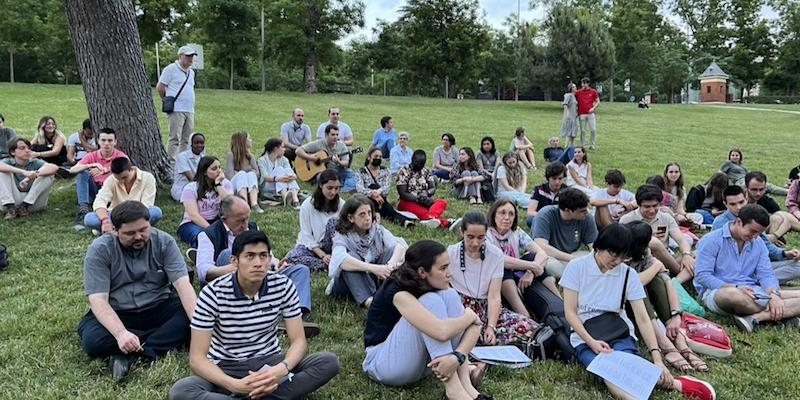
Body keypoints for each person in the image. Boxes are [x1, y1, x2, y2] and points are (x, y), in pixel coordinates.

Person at [169, 230, 339, 400]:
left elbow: (299, 341)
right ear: (234, 261)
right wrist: (234, 385)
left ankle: (255, 393)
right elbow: (197, 359)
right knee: (182, 390)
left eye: (263, 256)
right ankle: (262, 394)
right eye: (250, 256)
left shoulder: (283, 286)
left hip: (270, 363)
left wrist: (280, 369)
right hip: (226, 367)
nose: (258, 263)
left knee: (328, 362)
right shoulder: (213, 293)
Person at [560, 223, 715, 400]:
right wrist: (592, 342)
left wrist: (657, 358)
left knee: (626, 366)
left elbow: (643, 318)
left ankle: (668, 380)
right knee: (608, 372)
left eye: (622, 257)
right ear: (598, 247)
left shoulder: (627, 274)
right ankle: (676, 384)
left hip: (617, 331)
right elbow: (570, 313)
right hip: (585, 335)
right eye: (613, 254)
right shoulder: (577, 267)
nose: (616, 261)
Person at [77, 200, 197, 381]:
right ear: (115, 230)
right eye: (130, 233)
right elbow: (98, 300)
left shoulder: (164, 242)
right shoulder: (100, 249)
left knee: (193, 318)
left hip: (159, 306)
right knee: (93, 341)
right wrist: (120, 333)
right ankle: (158, 341)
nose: (139, 236)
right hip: (119, 312)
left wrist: (199, 324)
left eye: (143, 230)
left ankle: (134, 354)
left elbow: (183, 286)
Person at [362, 240, 490, 400]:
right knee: (431, 300)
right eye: (443, 268)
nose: (449, 273)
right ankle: (453, 391)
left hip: (422, 364)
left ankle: (467, 387)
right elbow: (442, 332)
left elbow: (476, 327)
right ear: (422, 272)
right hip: (382, 363)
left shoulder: (434, 283)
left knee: (450, 295)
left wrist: (457, 357)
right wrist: (469, 317)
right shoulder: (397, 291)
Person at [195, 196, 316, 333]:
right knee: (228, 253)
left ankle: (296, 317)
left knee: (300, 270)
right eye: (240, 220)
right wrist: (234, 268)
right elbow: (203, 272)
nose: (245, 224)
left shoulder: (252, 228)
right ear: (224, 219)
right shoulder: (208, 235)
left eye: (247, 218)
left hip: (260, 273)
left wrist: (276, 264)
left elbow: (266, 254)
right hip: (230, 279)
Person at [695, 204, 800, 333]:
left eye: (759, 233)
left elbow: (766, 274)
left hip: (754, 291)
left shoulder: (758, 242)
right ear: (739, 222)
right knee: (733, 295)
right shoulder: (711, 240)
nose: (755, 236)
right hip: (719, 291)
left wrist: (773, 294)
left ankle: (758, 318)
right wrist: (735, 287)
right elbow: (702, 276)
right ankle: (785, 314)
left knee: (776, 295)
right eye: (753, 231)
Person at [625, 221, 709, 372]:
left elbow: (667, 281)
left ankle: (679, 340)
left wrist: (676, 315)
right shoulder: (620, 254)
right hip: (624, 304)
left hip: (643, 303)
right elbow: (633, 284)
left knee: (658, 280)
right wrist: (657, 265)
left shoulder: (644, 252)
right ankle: (664, 343)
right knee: (639, 288)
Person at [448, 211, 540, 347]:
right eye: (470, 237)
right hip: (462, 309)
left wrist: (491, 326)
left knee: (531, 329)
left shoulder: (495, 254)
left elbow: (494, 296)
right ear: (462, 232)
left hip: (488, 307)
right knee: (463, 333)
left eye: (480, 237)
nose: (475, 243)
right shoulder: (451, 253)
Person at [326, 195, 407, 308]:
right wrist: (375, 269)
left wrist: (390, 266)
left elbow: (399, 246)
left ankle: (388, 291)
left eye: (369, 213)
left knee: (393, 251)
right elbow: (341, 260)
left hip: (373, 278)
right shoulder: (342, 236)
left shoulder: (377, 230)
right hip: (347, 285)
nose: (368, 217)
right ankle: (370, 302)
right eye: (362, 214)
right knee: (350, 258)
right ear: (351, 218)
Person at [713, 185, 800, 285]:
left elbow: (765, 244)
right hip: (732, 269)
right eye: (733, 204)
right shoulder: (720, 223)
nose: (738, 207)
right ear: (725, 204)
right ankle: (754, 281)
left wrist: (784, 254)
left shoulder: (753, 215)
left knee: (797, 266)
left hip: (756, 266)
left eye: (741, 202)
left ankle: (755, 281)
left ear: (746, 198)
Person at [487, 200, 557, 318]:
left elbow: (542, 253)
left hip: (517, 272)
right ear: (494, 214)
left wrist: (530, 272)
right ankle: (525, 315)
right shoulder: (486, 234)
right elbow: (499, 259)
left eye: (511, 214)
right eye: (502, 213)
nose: (507, 217)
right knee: (502, 268)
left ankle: (559, 302)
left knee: (533, 257)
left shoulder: (516, 232)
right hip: (496, 279)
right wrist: (532, 266)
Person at [620, 185, 695, 284]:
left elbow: (681, 239)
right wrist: (645, 240)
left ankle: (678, 278)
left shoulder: (666, 218)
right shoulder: (627, 220)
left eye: (655, 206)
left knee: (699, 253)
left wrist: (686, 254)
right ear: (638, 205)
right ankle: (680, 273)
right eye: (647, 207)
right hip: (641, 260)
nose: (652, 210)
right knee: (654, 243)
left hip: (667, 258)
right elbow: (622, 248)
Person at [283, 169, 344, 271]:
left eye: (336, 188)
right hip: (312, 246)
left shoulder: (341, 205)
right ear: (321, 185)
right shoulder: (307, 205)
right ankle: (329, 263)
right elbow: (306, 234)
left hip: (332, 246)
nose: (333, 192)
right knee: (291, 257)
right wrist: (322, 255)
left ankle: (332, 260)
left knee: (333, 222)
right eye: (329, 188)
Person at [532, 188, 598, 279]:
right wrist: (573, 260)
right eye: (582, 211)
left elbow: (594, 245)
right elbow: (541, 246)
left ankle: (578, 271)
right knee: (557, 269)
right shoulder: (545, 215)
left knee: (593, 259)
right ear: (568, 210)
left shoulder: (587, 217)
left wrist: (597, 259)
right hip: (549, 256)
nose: (587, 212)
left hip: (572, 254)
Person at [84, 157, 162, 233]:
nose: (121, 181)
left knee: (155, 212)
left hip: (138, 214)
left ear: (131, 169)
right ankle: (133, 228)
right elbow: (100, 200)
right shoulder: (111, 179)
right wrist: (105, 220)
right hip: (116, 216)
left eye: (125, 177)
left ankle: (117, 229)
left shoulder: (147, 178)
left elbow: (146, 205)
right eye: (118, 179)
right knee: (89, 218)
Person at [68, 127, 128, 223]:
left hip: (111, 192)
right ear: (98, 141)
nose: (106, 143)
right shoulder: (92, 155)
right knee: (82, 173)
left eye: (110, 140)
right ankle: (83, 210)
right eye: (103, 140)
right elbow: (72, 170)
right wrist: (91, 165)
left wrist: (105, 170)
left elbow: (126, 169)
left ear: (115, 142)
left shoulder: (120, 156)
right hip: (94, 189)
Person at [177, 156, 233, 248]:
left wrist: (218, 185)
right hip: (192, 223)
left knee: (230, 234)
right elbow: (194, 215)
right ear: (204, 172)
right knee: (201, 236)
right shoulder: (191, 188)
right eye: (214, 169)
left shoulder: (225, 184)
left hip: (216, 220)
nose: (219, 171)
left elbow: (230, 203)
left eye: (219, 167)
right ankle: (197, 253)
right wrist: (211, 230)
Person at [397, 150, 460, 230]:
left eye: (422, 164)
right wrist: (417, 198)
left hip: (424, 200)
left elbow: (432, 187)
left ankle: (431, 218)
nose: (419, 166)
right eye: (417, 163)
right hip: (408, 201)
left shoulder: (426, 170)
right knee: (423, 213)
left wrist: (426, 193)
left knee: (442, 202)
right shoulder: (404, 171)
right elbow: (402, 193)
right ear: (412, 159)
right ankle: (447, 223)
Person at [356, 147, 417, 229]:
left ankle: (377, 215)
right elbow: (359, 189)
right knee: (373, 187)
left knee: (377, 191)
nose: (378, 158)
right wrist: (372, 194)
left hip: (382, 200)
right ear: (369, 157)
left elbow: (386, 189)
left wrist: (377, 193)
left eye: (380, 157)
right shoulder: (361, 172)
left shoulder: (386, 171)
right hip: (367, 201)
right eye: (376, 156)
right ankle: (405, 221)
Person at [0, 137, 57, 220]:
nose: (27, 151)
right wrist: (23, 172)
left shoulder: (34, 161)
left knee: (48, 174)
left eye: (28, 148)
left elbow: (54, 167)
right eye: (22, 148)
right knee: (2, 172)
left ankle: (24, 206)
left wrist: (30, 177)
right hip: (10, 202)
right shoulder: (7, 161)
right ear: (13, 152)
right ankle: (10, 208)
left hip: (32, 204)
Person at [157, 45, 197, 160]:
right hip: (176, 109)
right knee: (174, 137)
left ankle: (182, 160)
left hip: (189, 109)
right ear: (180, 56)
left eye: (192, 56)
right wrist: (165, 99)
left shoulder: (191, 73)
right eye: (188, 56)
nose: (190, 59)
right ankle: (171, 160)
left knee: (186, 138)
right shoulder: (170, 69)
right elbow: (160, 86)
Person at [297, 124, 357, 193]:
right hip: (324, 172)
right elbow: (298, 150)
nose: (335, 137)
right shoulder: (319, 143)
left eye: (337, 135)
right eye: (333, 135)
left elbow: (346, 162)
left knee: (351, 174)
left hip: (337, 170)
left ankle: (344, 190)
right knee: (320, 178)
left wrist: (338, 162)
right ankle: (339, 184)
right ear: (326, 135)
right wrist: (312, 158)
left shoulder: (341, 145)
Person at [745, 171, 800, 242]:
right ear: (746, 187)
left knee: (779, 216)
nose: (758, 193)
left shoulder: (765, 199)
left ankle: (772, 238)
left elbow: (782, 216)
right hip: (746, 229)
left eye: (761, 189)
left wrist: (776, 234)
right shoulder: (739, 201)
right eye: (754, 190)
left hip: (763, 229)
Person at [720, 148, 787, 195]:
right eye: (732, 155)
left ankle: (787, 191)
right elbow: (720, 173)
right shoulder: (728, 163)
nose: (735, 157)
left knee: (767, 185)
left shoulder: (741, 165)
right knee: (751, 187)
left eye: (737, 155)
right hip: (740, 182)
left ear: (740, 156)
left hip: (748, 178)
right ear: (730, 156)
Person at [224, 131, 263, 213]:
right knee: (242, 174)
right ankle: (244, 203)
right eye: (249, 138)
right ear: (243, 141)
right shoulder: (231, 155)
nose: (251, 140)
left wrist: (247, 173)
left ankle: (254, 204)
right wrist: (244, 172)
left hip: (248, 184)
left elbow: (257, 173)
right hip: (233, 186)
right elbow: (230, 176)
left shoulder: (250, 156)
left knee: (251, 174)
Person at [257, 138, 300, 207]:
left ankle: (295, 200)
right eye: (282, 147)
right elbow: (265, 177)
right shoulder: (262, 160)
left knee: (287, 171)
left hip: (283, 183)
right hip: (268, 186)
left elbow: (292, 174)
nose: (284, 149)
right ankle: (286, 197)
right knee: (279, 169)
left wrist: (291, 177)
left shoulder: (284, 159)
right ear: (276, 149)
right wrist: (278, 179)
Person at [526, 161, 567, 228]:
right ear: (548, 178)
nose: (557, 182)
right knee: (530, 220)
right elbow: (530, 211)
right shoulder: (539, 190)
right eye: (554, 178)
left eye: (560, 178)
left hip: (559, 221)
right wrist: (548, 217)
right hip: (543, 218)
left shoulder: (567, 192)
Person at [663, 162, 704, 227]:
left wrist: (686, 215)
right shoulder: (662, 187)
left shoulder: (681, 189)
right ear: (666, 173)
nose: (674, 174)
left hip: (677, 214)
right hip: (665, 214)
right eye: (671, 172)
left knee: (698, 216)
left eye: (676, 172)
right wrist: (674, 215)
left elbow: (680, 209)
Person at [171, 132, 206, 201]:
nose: (199, 145)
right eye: (196, 143)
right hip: (182, 189)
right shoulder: (182, 157)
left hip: (199, 187)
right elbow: (192, 178)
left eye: (202, 143)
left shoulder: (203, 157)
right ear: (191, 144)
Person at [575, 77, 600, 150]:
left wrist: (593, 108)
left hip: (590, 114)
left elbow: (598, 101)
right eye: (582, 83)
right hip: (581, 114)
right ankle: (583, 145)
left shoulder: (593, 91)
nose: (583, 85)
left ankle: (592, 145)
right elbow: (573, 98)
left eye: (585, 83)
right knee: (583, 131)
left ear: (588, 84)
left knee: (593, 130)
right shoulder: (578, 92)